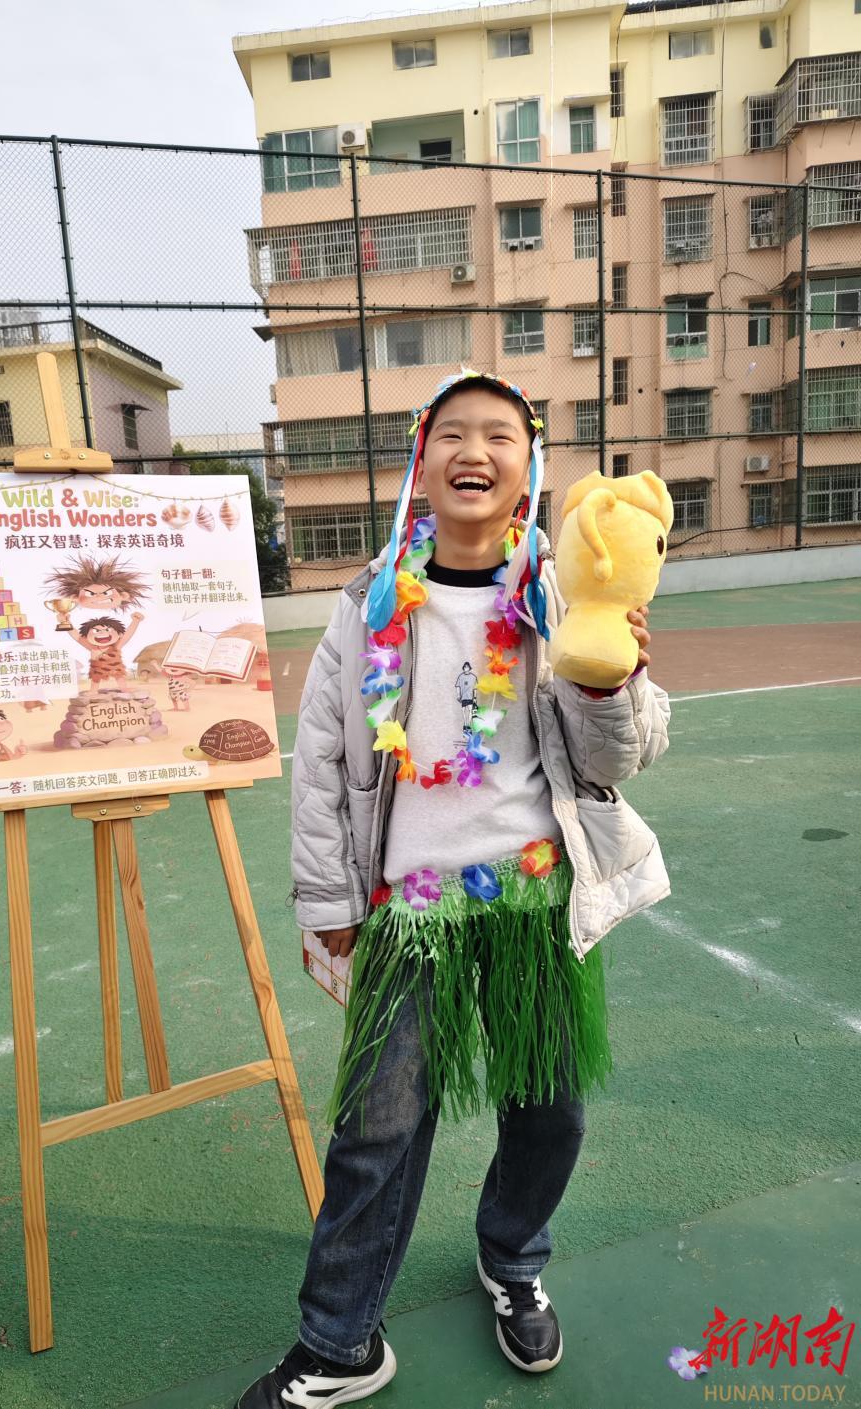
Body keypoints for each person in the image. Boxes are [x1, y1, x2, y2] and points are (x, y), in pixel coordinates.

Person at [235, 370, 672, 1409]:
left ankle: (513, 1259)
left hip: (535, 902)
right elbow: (321, 761)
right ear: (421, 460)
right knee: (376, 1128)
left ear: (531, 466)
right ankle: (341, 1341)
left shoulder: (566, 593)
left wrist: (609, 680)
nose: (475, 451)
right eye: (452, 434)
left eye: (501, 436)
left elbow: (623, 755)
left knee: (550, 1111)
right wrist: (329, 906)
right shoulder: (368, 603)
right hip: (408, 911)